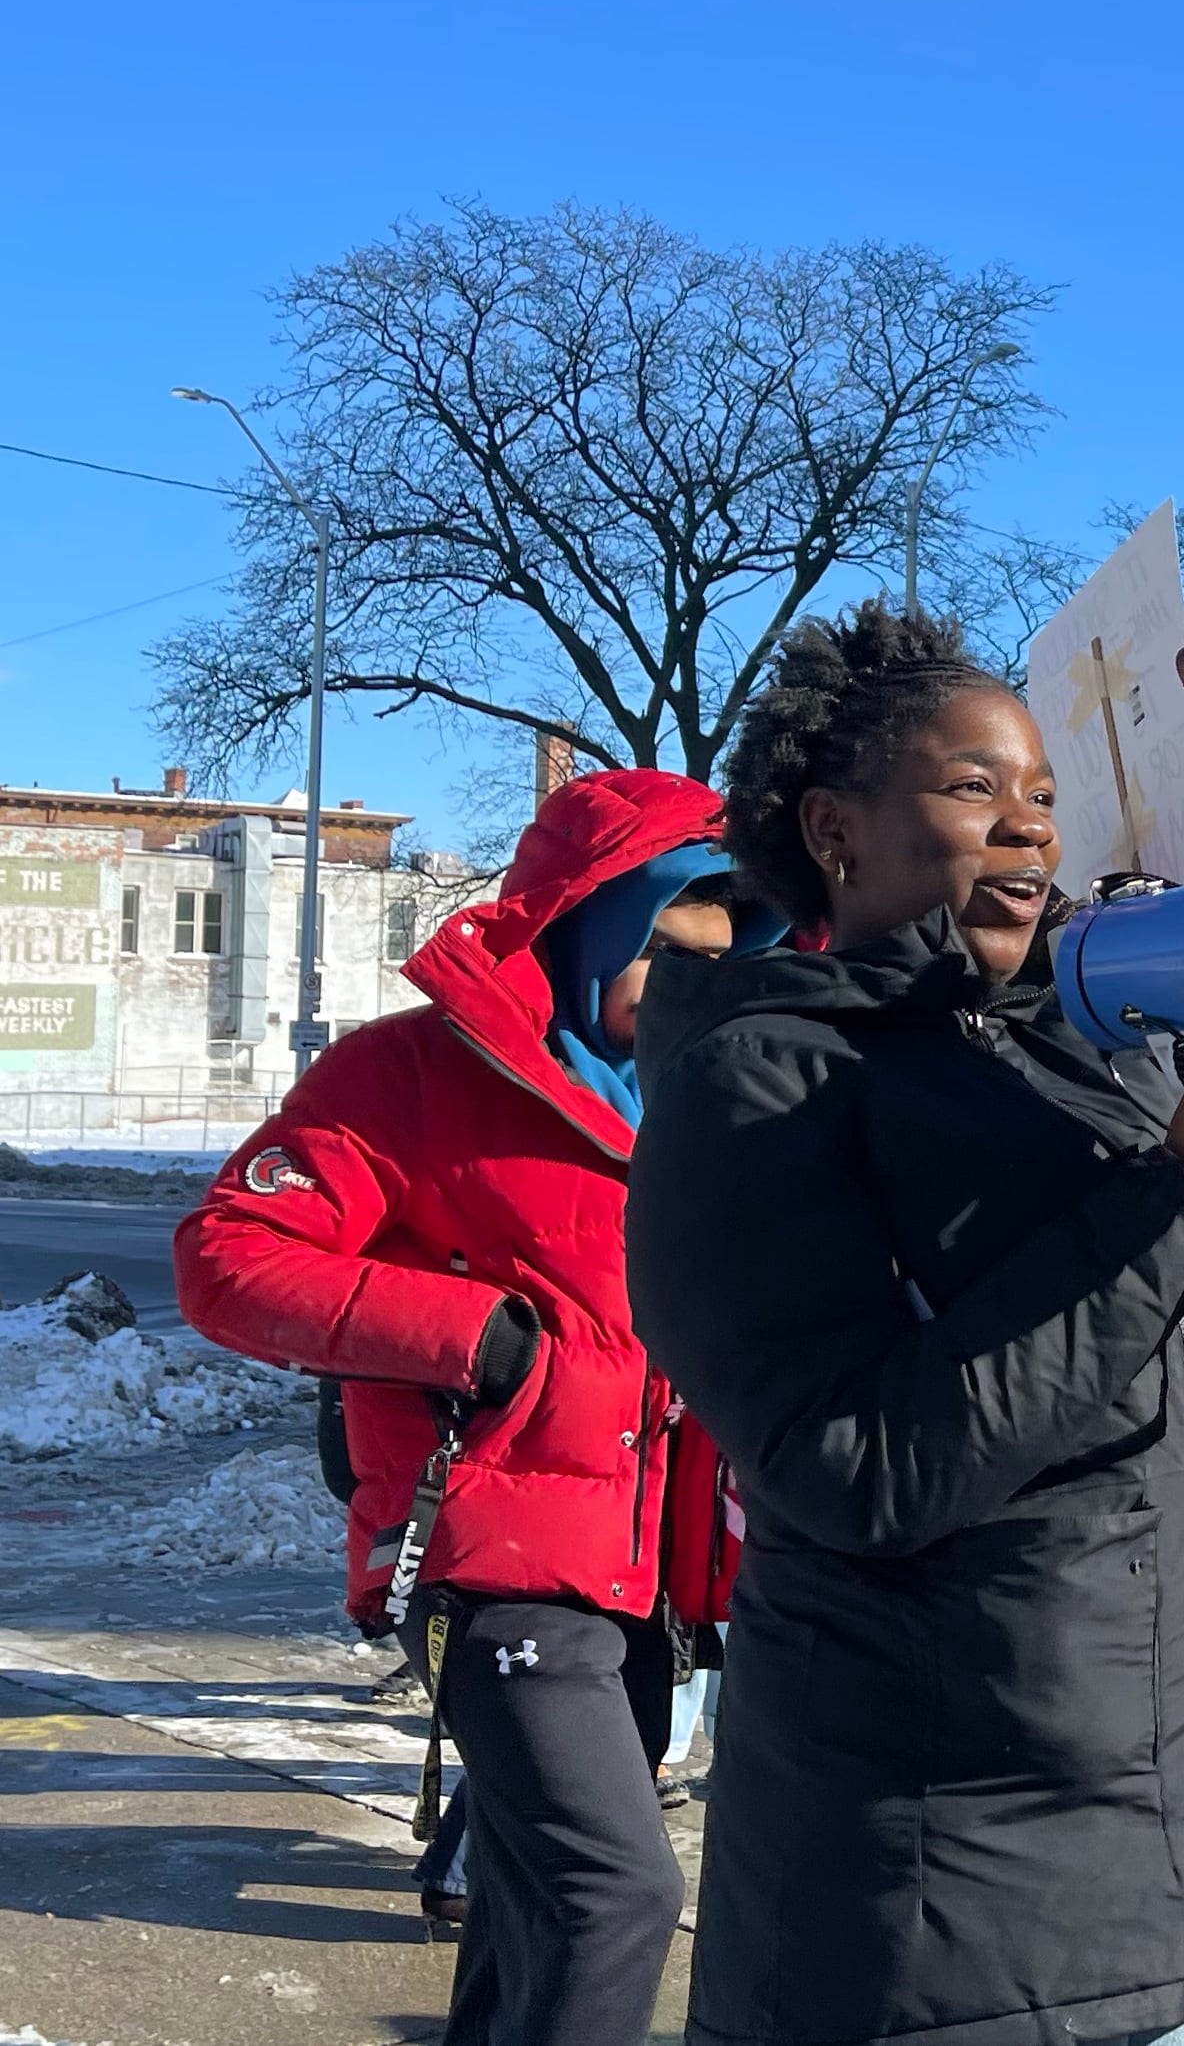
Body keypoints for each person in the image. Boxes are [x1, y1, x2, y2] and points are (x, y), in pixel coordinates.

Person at [625, 600, 1184, 2046]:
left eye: (1044, 794)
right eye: (975, 787)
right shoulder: (761, 1082)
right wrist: (1177, 1196)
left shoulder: (1078, 1039)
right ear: (835, 827)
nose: (1032, 829)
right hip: (950, 1922)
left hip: (1173, 1867)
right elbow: (860, 1462)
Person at [174, 769, 756, 2046]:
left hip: (651, 1578)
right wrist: (477, 1338)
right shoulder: (410, 1077)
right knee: (615, 1896)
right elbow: (227, 1256)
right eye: (667, 947)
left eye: (729, 954)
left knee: (531, 1898)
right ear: (586, 922)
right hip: (492, 1557)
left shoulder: (722, 1099)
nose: (697, 986)